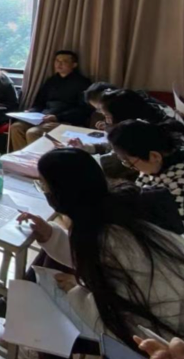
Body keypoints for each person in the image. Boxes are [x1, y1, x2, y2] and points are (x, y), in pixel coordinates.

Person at [17, 149, 184, 349]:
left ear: (61, 192)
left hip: (161, 339)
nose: (44, 191)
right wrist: (50, 234)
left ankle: (27, 340)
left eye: (44, 185)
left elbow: (115, 317)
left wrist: (76, 292)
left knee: (46, 317)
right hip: (164, 321)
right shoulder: (118, 209)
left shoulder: (102, 236)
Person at [10, 51, 92, 151]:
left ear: (74, 65)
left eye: (64, 61)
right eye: (57, 61)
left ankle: (38, 160)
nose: (59, 64)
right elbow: (39, 103)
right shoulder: (51, 81)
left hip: (64, 120)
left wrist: (57, 117)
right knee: (16, 127)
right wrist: (31, 111)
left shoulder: (82, 83)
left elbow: (83, 110)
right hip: (43, 117)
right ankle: (21, 157)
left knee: (33, 132)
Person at [109, 120, 184, 219]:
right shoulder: (156, 165)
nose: (131, 167)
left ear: (154, 156)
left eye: (128, 162)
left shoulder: (177, 188)